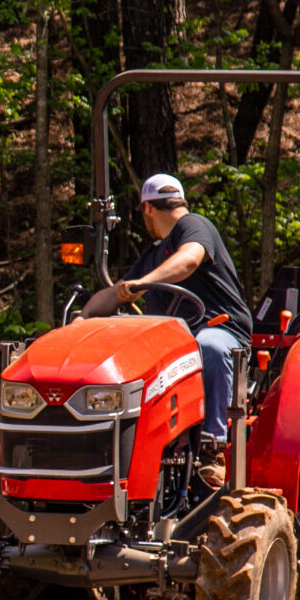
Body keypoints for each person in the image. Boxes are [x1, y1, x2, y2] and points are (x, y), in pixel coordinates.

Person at [80, 172, 253, 487]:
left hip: (220, 331)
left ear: (147, 209)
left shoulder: (195, 227)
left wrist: (145, 284)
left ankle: (211, 447)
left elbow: (188, 261)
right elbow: (118, 292)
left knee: (208, 345)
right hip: (175, 346)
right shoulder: (153, 257)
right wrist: (84, 316)